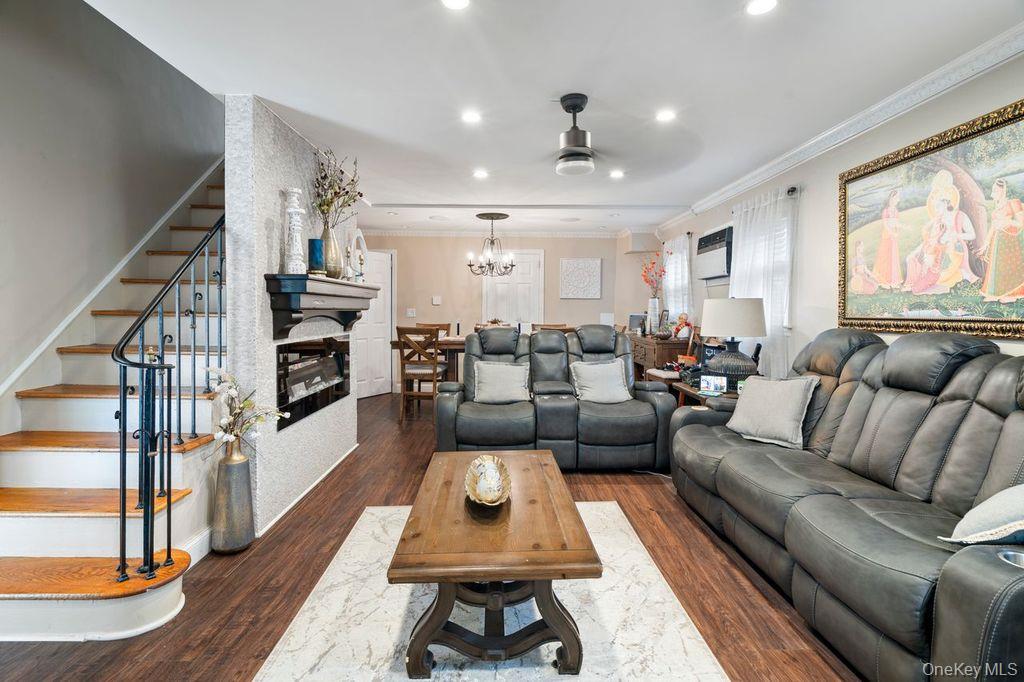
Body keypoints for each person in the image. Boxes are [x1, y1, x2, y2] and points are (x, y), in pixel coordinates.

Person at [976, 179, 1024, 303]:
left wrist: (1006, 222)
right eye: (993, 191)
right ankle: (995, 293)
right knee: (997, 268)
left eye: (996, 191)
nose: (993, 194)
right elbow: (992, 227)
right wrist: (985, 244)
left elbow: (1021, 223)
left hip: (1009, 241)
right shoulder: (997, 208)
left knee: (1008, 267)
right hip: (997, 242)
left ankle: (1010, 295)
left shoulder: (1013, 203)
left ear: (1003, 191)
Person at [871, 189, 904, 288]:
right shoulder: (886, 211)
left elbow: (897, 223)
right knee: (886, 256)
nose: (898, 199)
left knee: (894, 256)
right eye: (897, 197)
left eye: (898, 197)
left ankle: (894, 280)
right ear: (892, 198)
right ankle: (884, 280)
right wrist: (892, 233)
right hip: (887, 235)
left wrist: (898, 230)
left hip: (894, 236)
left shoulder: (896, 211)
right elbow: (885, 224)